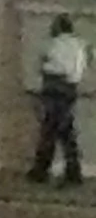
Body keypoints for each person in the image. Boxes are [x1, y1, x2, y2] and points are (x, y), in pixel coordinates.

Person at [32, 13, 85, 184]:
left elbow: (55, 67)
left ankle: (41, 170)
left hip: (55, 90)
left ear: (59, 27)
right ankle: (73, 170)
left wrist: (45, 66)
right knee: (66, 132)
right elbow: (76, 70)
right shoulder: (79, 45)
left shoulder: (56, 44)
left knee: (49, 131)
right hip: (70, 90)